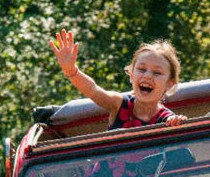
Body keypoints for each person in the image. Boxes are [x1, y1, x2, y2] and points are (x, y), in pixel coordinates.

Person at [51, 30, 187, 129]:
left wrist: (176, 123)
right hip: (105, 170)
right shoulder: (119, 104)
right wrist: (71, 70)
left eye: (157, 72)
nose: (147, 76)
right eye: (141, 69)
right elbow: (93, 90)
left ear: (169, 84)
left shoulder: (166, 119)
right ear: (131, 75)